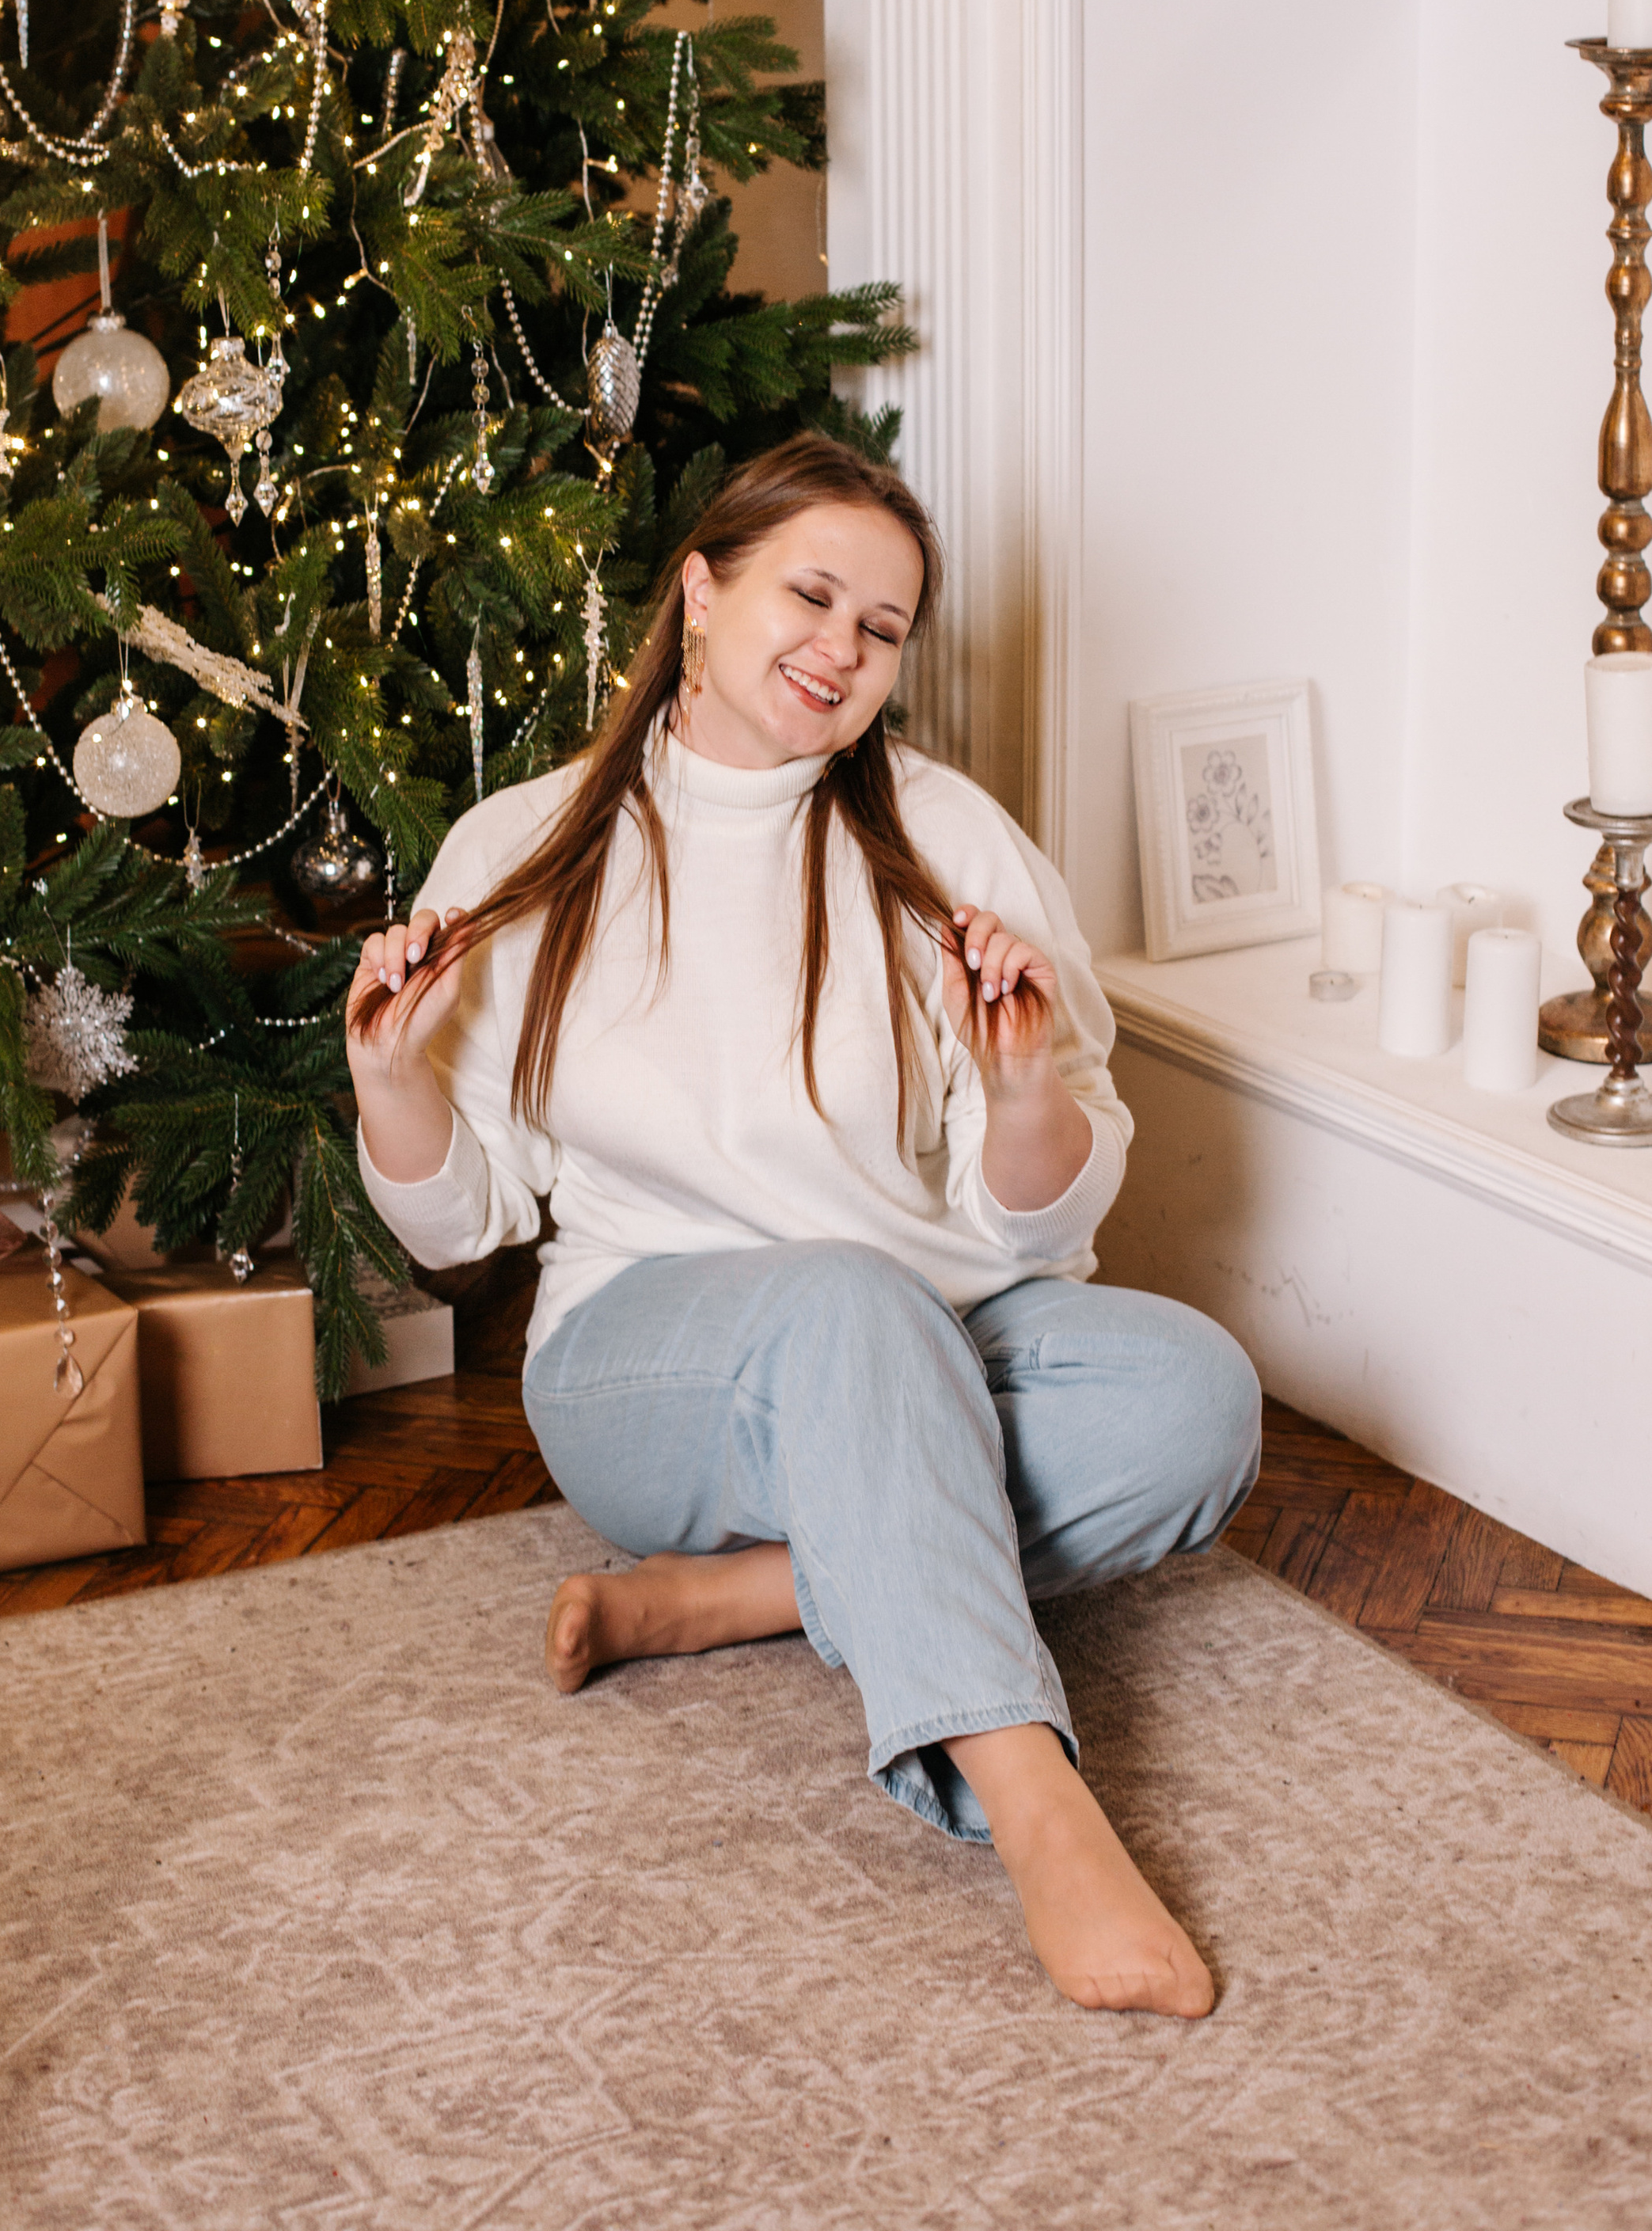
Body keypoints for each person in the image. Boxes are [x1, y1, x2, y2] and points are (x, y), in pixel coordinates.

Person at [347, 435, 1260, 2019]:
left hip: (923, 1314)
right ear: (698, 593)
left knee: (1194, 1399)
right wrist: (387, 1085)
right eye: (811, 595)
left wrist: (1025, 1083)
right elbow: (458, 1226)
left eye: (883, 628)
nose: (841, 648)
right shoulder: (524, 848)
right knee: (843, 1301)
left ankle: (734, 1592)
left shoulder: (937, 837)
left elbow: (1025, 1220)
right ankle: (1026, 1791)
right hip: (646, 1363)